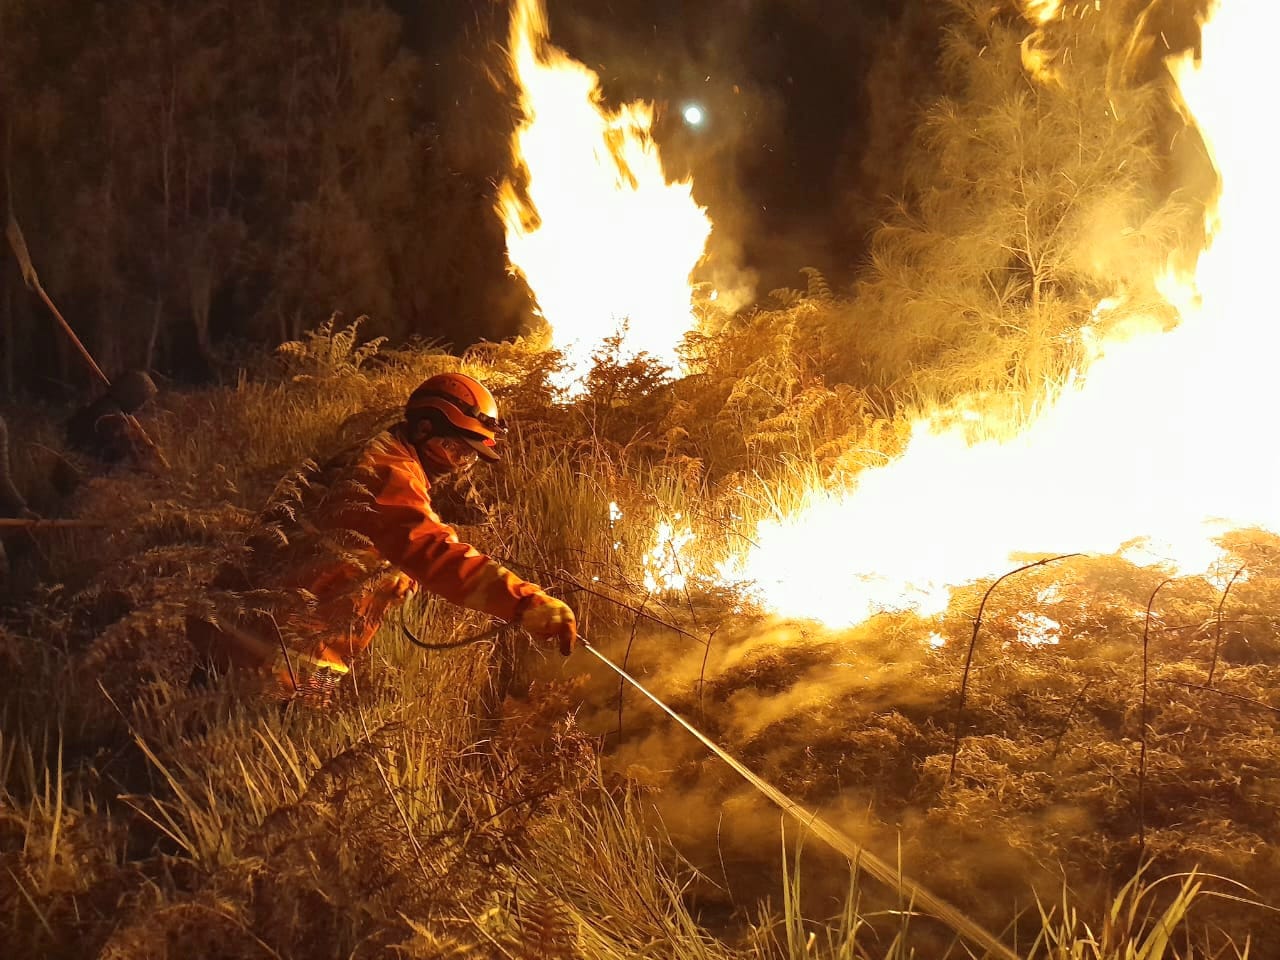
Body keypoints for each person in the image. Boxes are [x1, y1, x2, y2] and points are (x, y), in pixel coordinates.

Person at [188, 371, 577, 701]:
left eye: (468, 456)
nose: (459, 464)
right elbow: (430, 550)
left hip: (261, 634)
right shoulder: (387, 472)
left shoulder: (383, 452)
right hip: (277, 649)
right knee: (254, 757)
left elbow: (379, 539)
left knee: (207, 731)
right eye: (455, 450)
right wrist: (526, 602)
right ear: (424, 428)